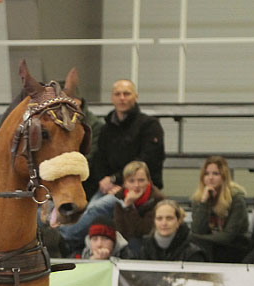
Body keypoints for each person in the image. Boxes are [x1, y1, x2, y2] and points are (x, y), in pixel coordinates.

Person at [58, 79, 165, 253]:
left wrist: (116, 179)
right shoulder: (107, 128)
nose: (122, 98)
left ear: (135, 96)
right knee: (85, 206)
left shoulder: (149, 125)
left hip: (137, 187)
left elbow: (148, 160)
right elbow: (100, 158)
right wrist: (104, 180)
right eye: (118, 94)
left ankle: (62, 239)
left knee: (96, 209)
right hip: (108, 186)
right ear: (112, 98)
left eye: (127, 93)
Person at [189, 155, 250, 263]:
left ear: (224, 176)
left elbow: (228, 236)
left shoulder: (236, 200)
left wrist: (197, 238)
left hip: (235, 248)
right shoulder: (198, 199)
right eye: (206, 174)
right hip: (210, 248)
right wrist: (204, 203)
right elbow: (197, 229)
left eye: (215, 174)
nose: (210, 177)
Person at [113, 161, 165, 256]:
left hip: (150, 244)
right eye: (131, 181)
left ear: (148, 181)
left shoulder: (157, 199)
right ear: (125, 183)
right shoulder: (119, 197)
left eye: (141, 180)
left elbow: (143, 231)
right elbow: (120, 229)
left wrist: (129, 206)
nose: (136, 185)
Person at [136, 199, 209, 262]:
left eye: (169, 218)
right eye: (159, 218)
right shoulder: (144, 248)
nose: (164, 223)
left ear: (178, 221)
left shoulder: (193, 252)